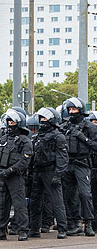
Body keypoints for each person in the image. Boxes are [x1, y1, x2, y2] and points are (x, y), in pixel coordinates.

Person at [0, 109, 32, 241]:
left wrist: (10, 170)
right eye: (9, 121)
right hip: (2, 176)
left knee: (19, 204)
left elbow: (25, 160)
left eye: (13, 121)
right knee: (1, 204)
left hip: (15, 176)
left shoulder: (25, 140)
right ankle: (1, 229)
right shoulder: (3, 138)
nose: (10, 123)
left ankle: (23, 230)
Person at [28, 107, 69, 239]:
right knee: (35, 202)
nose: (42, 121)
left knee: (57, 201)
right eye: (41, 118)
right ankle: (34, 229)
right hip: (37, 171)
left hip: (51, 171)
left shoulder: (58, 136)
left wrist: (58, 174)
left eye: (45, 118)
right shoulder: (37, 135)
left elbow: (62, 157)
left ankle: (62, 229)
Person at [61, 97, 97, 236]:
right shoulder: (65, 126)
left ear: (81, 110)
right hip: (68, 164)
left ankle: (88, 223)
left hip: (82, 164)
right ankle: (73, 223)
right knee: (69, 195)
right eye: (69, 109)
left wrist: (82, 137)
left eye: (74, 109)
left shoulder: (90, 127)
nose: (71, 111)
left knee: (85, 194)